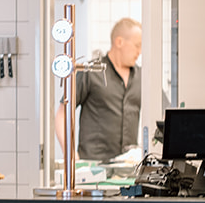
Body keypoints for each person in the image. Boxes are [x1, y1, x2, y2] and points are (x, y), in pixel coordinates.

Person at [57, 18, 143, 161]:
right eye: (137, 45)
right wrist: (71, 154)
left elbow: (163, 113)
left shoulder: (142, 77)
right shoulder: (91, 72)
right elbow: (62, 114)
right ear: (119, 42)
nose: (140, 51)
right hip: (93, 167)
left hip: (128, 167)